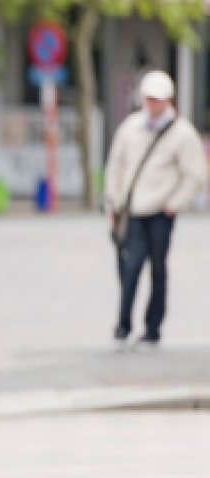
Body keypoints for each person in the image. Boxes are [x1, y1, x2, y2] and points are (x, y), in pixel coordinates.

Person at [104, 70, 207, 350]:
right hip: (133, 210)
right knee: (131, 266)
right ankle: (123, 326)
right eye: (149, 98)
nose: (153, 104)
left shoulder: (183, 133)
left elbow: (195, 175)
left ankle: (153, 329)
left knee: (158, 269)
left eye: (158, 99)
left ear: (168, 100)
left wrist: (174, 204)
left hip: (161, 211)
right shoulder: (130, 127)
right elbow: (115, 165)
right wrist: (113, 200)